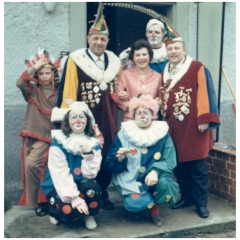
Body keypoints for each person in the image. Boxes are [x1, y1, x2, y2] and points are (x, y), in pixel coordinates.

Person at [53, 4, 121, 210]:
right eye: (95, 38)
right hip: (84, 121)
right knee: (85, 154)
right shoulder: (76, 60)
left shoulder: (114, 61)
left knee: (107, 153)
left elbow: (117, 90)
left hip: (108, 118)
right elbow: (69, 94)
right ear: (88, 39)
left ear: (107, 41)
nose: (99, 42)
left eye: (103, 39)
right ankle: (84, 196)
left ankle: (103, 193)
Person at [160, 34, 221, 218]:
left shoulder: (196, 67)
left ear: (183, 50)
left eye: (176, 48)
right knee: (179, 167)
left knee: (198, 168)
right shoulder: (166, 71)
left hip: (195, 126)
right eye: (170, 49)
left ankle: (201, 204)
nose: (173, 52)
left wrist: (204, 119)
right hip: (174, 128)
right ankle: (186, 198)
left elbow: (205, 92)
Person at [104, 94, 179, 227]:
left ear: (153, 115)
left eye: (146, 112)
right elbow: (108, 165)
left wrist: (156, 171)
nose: (142, 116)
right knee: (133, 205)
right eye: (139, 113)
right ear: (133, 115)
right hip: (130, 180)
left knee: (166, 184)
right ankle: (148, 202)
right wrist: (120, 159)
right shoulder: (125, 133)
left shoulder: (161, 133)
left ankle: (153, 208)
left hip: (154, 179)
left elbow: (169, 158)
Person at [41, 101, 102, 230]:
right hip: (59, 184)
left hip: (82, 182)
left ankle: (88, 215)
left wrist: (88, 154)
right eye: (73, 117)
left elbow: (90, 174)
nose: (78, 121)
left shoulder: (93, 143)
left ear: (87, 120)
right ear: (68, 121)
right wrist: (74, 198)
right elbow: (60, 172)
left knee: (90, 186)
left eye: (82, 117)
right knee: (66, 211)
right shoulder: (59, 142)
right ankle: (56, 213)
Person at [17, 48, 61, 216]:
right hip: (34, 135)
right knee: (31, 165)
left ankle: (48, 200)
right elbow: (20, 83)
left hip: (52, 137)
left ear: (53, 73)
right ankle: (39, 201)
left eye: (47, 73)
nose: (43, 77)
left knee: (41, 166)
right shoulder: (32, 90)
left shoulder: (60, 92)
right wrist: (34, 67)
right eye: (41, 73)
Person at [114, 39, 162, 122]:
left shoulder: (158, 77)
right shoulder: (125, 75)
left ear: (149, 56)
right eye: (137, 55)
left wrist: (156, 104)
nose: (141, 58)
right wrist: (135, 107)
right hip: (130, 119)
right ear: (133, 57)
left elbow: (162, 100)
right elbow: (117, 98)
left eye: (144, 54)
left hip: (152, 120)